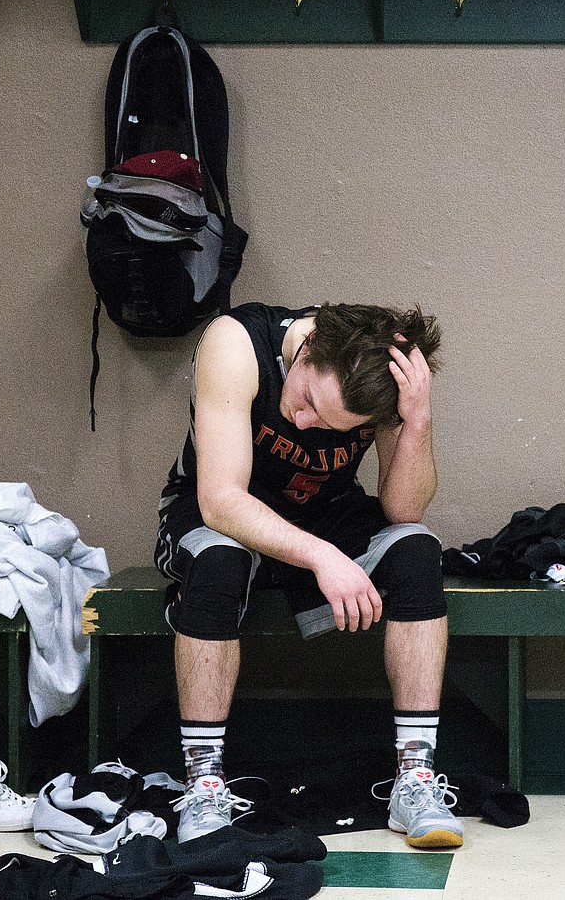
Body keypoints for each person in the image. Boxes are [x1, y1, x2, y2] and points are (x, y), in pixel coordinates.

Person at [154, 302, 462, 849]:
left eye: (329, 426)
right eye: (308, 401)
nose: (303, 422)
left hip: (324, 511)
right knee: (219, 564)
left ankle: (413, 778)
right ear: (311, 345)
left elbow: (403, 510)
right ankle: (203, 784)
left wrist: (416, 418)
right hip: (222, 513)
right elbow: (221, 500)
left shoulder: (380, 382)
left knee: (417, 550)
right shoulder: (236, 343)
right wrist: (321, 557)